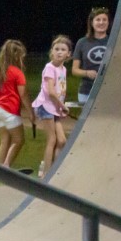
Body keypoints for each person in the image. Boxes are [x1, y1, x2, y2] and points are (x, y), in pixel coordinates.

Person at [32, 35, 72, 178]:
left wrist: (60, 107)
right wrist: (63, 106)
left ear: (68, 54)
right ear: (52, 52)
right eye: (57, 49)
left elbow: (61, 91)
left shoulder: (63, 69)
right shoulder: (49, 68)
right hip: (45, 106)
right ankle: (46, 173)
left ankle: (53, 170)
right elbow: (51, 92)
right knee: (52, 139)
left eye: (63, 50)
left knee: (62, 140)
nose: (59, 52)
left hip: (54, 107)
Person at [0, 39, 36, 168]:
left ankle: (2, 171)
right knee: (19, 140)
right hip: (10, 110)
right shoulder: (17, 72)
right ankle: (6, 166)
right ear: (16, 55)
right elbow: (23, 94)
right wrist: (31, 113)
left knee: (5, 140)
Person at [72, 6, 111, 105]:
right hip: (86, 91)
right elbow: (74, 70)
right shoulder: (82, 42)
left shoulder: (114, 41)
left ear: (108, 22)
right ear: (91, 22)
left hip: (109, 91)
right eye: (98, 20)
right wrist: (87, 73)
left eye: (104, 20)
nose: (101, 22)